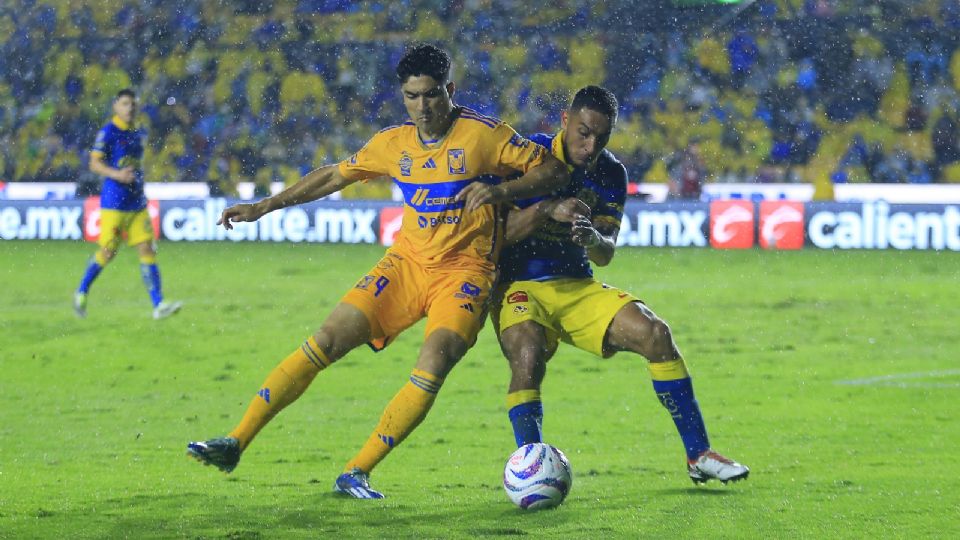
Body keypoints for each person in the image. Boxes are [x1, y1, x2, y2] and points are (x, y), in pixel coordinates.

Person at [186, 44, 569, 498]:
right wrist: (265, 205)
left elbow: (553, 171)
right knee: (325, 340)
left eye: (430, 95)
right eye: (411, 96)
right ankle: (235, 441)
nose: (422, 108)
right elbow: (334, 176)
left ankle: (356, 471)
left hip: (465, 273)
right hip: (406, 265)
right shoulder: (393, 144)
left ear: (449, 89)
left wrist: (503, 192)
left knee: (434, 361)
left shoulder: (485, 136)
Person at [496, 85, 749, 484]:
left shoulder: (611, 172)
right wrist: (547, 210)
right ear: (565, 120)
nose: (590, 144)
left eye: (601, 136)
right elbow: (497, 236)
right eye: (583, 132)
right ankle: (530, 471)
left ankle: (698, 455)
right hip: (519, 286)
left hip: (575, 286)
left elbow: (605, 253)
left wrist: (594, 239)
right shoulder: (526, 156)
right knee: (526, 358)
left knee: (656, 334)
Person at [73, 89, 182, 320]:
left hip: (137, 203)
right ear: (116, 106)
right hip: (114, 203)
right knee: (108, 252)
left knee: (147, 249)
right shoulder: (108, 132)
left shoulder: (139, 132)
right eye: (124, 104)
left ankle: (158, 305)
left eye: (132, 104)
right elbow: (94, 164)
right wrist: (117, 175)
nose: (129, 108)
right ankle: (81, 291)